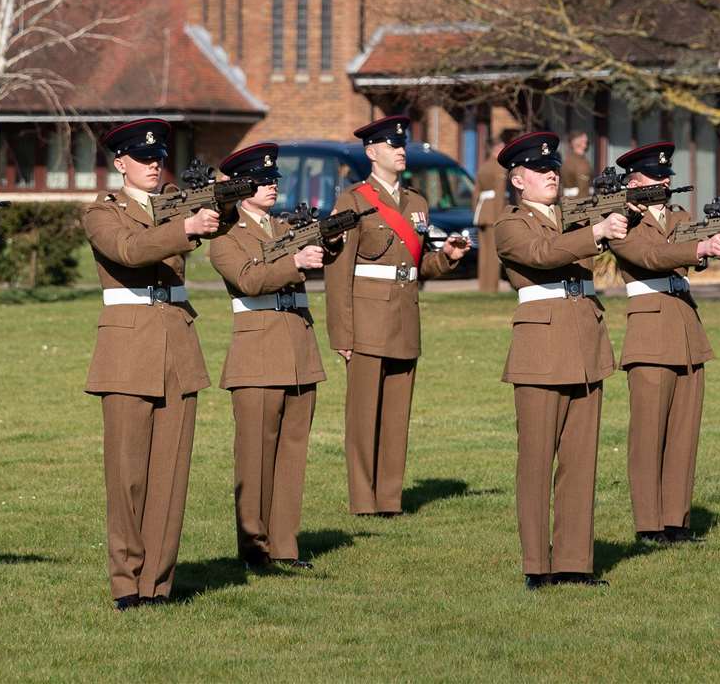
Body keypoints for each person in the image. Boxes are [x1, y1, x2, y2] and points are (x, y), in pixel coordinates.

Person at [82, 118, 220, 609]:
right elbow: (128, 250)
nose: (153, 164)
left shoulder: (177, 204)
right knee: (127, 474)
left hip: (177, 344)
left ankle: (158, 583)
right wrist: (184, 228)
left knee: (170, 474)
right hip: (127, 350)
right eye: (143, 158)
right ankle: (126, 581)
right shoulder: (102, 212)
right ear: (120, 163)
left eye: (159, 156)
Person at [492, 130, 627, 588]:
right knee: (535, 461)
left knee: (580, 459)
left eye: (554, 168)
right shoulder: (511, 224)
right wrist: (596, 232)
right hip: (541, 350)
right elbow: (541, 254)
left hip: (585, 344)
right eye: (540, 169)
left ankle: (574, 561)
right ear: (517, 180)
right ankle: (537, 564)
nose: (551, 174)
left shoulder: (574, 216)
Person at [323, 115, 467, 517]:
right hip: (366, 320)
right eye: (392, 145)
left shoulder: (417, 203)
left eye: (402, 144)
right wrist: (342, 334)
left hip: (405, 316)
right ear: (372, 152)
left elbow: (417, 268)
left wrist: (446, 258)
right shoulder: (352, 201)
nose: (401, 150)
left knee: (397, 415)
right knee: (363, 415)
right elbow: (338, 274)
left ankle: (389, 499)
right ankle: (362, 501)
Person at [208, 142, 335, 569]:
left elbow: (315, 254)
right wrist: (296, 262)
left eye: (273, 179)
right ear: (242, 188)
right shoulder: (226, 237)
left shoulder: (283, 228)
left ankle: (285, 545)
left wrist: (326, 245)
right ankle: (254, 548)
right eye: (262, 180)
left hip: (298, 347)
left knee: (292, 454)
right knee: (255, 456)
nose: (271, 186)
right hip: (257, 353)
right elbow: (248, 279)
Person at [608, 142, 720, 543]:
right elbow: (649, 257)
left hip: (685, 326)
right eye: (655, 176)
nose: (664, 180)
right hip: (649, 330)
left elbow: (693, 248)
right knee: (648, 434)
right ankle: (648, 523)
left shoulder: (679, 217)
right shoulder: (621, 221)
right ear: (634, 181)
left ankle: (675, 520)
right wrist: (699, 247)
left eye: (667, 176)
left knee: (683, 431)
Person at [473, 133, 512, 293]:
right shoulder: (499, 167)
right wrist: (500, 217)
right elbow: (499, 194)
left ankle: (484, 286)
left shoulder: (483, 166)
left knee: (484, 253)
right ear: (497, 149)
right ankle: (491, 288)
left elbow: (476, 193)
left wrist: (476, 212)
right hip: (493, 214)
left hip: (482, 212)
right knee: (493, 253)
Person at [560, 130, 593, 201]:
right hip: (579, 202)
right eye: (583, 140)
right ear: (576, 142)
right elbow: (583, 187)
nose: (586, 142)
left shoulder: (568, 160)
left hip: (568, 201)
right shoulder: (580, 163)